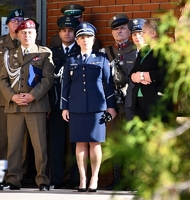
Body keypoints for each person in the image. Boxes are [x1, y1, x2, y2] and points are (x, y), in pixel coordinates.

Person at [0, 19, 54, 191]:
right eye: (23, 32)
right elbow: (3, 79)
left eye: (30, 32)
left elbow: (48, 79)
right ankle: (12, 180)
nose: (27, 35)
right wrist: (12, 97)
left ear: (36, 34)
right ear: (18, 35)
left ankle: (43, 180)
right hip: (15, 106)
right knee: (13, 146)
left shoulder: (44, 53)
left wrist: (32, 95)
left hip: (35, 106)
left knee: (39, 146)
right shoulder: (10, 54)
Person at [61, 22, 116, 192]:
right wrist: (65, 107)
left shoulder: (102, 59)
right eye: (82, 37)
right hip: (77, 107)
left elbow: (108, 84)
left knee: (95, 143)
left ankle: (94, 178)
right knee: (80, 143)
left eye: (89, 37)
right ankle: (83, 178)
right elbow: (66, 86)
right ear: (77, 41)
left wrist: (111, 106)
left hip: (97, 107)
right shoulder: (71, 60)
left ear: (93, 39)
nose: (85, 40)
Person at [99, 14, 134, 190]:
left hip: (132, 105)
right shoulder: (105, 53)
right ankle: (117, 179)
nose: (119, 31)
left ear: (129, 30)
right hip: (112, 106)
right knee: (115, 141)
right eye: (115, 29)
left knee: (131, 141)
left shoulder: (136, 50)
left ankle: (131, 179)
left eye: (122, 28)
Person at [0, 9, 25, 162]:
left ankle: (18, 174)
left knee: (22, 140)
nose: (18, 23)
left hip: (23, 98)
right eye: (14, 21)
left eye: (21, 20)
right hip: (3, 99)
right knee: (3, 138)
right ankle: (2, 173)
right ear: (7, 24)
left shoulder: (30, 42)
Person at [48, 16, 80, 189]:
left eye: (70, 30)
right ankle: (57, 179)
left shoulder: (81, 51)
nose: (67, 33)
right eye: (64, 30)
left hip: (76, 105)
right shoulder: (51, 52)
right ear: (59, 33)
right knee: (57, 143)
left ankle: (75, 179)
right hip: (56, 104)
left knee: (77, 143)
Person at [130, 19, 170, 121]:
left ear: (153, 33)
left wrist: (142, 75)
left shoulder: (165, 50)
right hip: (138, 99)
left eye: (143, 32)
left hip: (155, 99)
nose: (141, 35)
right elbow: (132, 71)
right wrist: (135, 77)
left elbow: (164, 73)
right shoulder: (144, 50)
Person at [124, 18, 146, 121]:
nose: (137, 37)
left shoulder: (154, 53)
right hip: (132, 101)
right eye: (134, 34)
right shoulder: (128, 56)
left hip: (148, 100)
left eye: (140, 33)